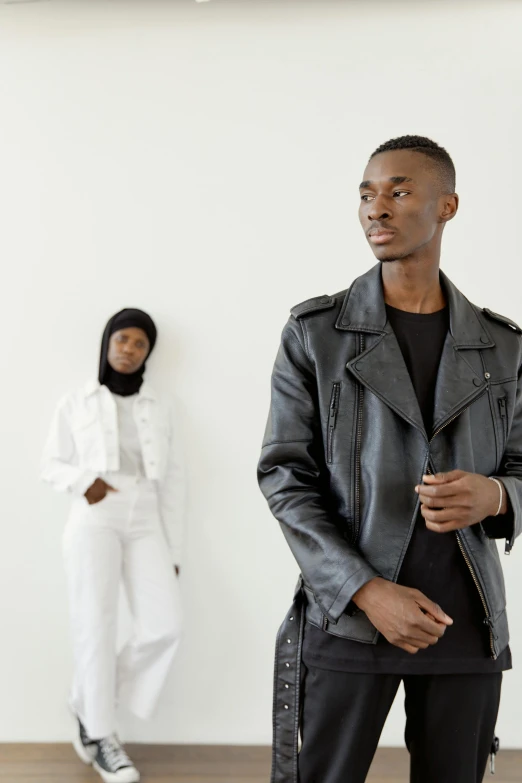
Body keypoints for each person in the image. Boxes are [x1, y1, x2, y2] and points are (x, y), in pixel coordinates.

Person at [258, 136, 522, 783]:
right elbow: (284, 476)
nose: (377, 208)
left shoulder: (502, 346)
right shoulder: (314, 333)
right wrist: (366, 591)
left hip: (465, 626)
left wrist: (496, 496)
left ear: (447, 206)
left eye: (399, 191)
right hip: (348, 619)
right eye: (367, 193)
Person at [42, 308, 185, 783]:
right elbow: (51, 462)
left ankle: (87, 698)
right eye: (122, 339)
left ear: (148, 353)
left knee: (164, 625)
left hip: (146, 514)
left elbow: (173, 483)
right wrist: (87, 481)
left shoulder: (158, 406)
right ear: (107, 342)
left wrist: (175, 551)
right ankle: (100, 734)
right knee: (95, 626)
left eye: (139, 343)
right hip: (95, 515)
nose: (129, 349)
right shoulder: (77, 401)